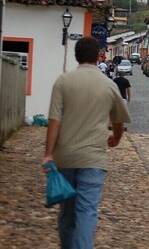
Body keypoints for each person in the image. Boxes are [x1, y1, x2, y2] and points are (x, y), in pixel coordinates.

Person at [42, 36, 131, 249]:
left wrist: (48, 153)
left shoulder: (63, 82)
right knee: (87, 211)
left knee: (67, 212)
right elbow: (119, 121)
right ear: (98, 56)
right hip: (93, 159)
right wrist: (116, 139)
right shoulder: (108, 85)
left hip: (66, 158)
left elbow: (55, 120)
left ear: (76, 56)